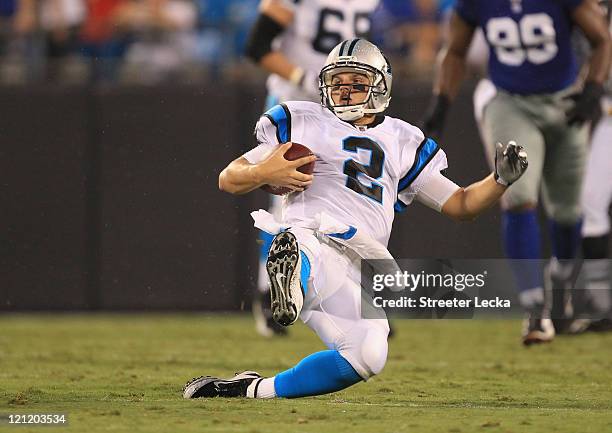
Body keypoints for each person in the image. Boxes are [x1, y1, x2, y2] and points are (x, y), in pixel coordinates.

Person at [182, 38, 528, 399]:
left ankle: (250, 390)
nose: (345, 92)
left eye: (356, 83)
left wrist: (500, 180)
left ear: (380, 86)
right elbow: (229, 177)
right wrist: (263, 171)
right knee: (305, 243)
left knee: (367, 354)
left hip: (358, 260)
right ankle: (292, 269)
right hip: (313, 232)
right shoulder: (303, 121)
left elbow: (461, 205)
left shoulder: (402, 139)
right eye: (337, 83)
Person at [423, 0, 611, 345]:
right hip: (510, 102)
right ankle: (534, 306)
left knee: (568, 212)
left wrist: (593, 86)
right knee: (517, 194)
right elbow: (455, 51)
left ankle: (560, 286)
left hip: (564, 100)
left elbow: (602, 39)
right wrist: (441, 102)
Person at [244, 0, 380, 337]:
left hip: (344, 109)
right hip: (294, 104)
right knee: (285, 199)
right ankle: (269, 294)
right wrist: (302, 76)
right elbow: (257, 47)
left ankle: (354, 298)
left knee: (354, 197)